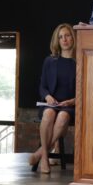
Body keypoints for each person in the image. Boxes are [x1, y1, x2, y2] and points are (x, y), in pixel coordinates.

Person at [28, 23, 76, 174]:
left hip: (70, 106)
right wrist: (48, 97)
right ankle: (44, 158)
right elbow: (42, 86)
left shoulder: (80, 61)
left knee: (62, 116)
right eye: (60, 37)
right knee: (48, 114)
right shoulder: (50, 61)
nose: (64, 40)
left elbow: (83, 91)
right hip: (51, 104)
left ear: (72, 38)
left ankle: (41, 152)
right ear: (57, 40)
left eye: (67, 35)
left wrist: (71, 101)